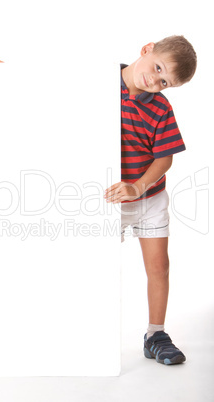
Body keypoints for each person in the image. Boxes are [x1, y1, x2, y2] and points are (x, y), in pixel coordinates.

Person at [104, 35, 197, 365]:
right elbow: (54, 76)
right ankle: (86, 334)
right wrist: (2, 68)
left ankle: (155, 333)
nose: (155, 81)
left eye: (164, 82)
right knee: (92, 266)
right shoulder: (98, 80)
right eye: (157, 68)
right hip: (105, 197)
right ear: (146, 50)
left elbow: (165, 158)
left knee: (159, 266)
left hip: (148, 196)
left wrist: (139, 187)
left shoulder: (159, 108)